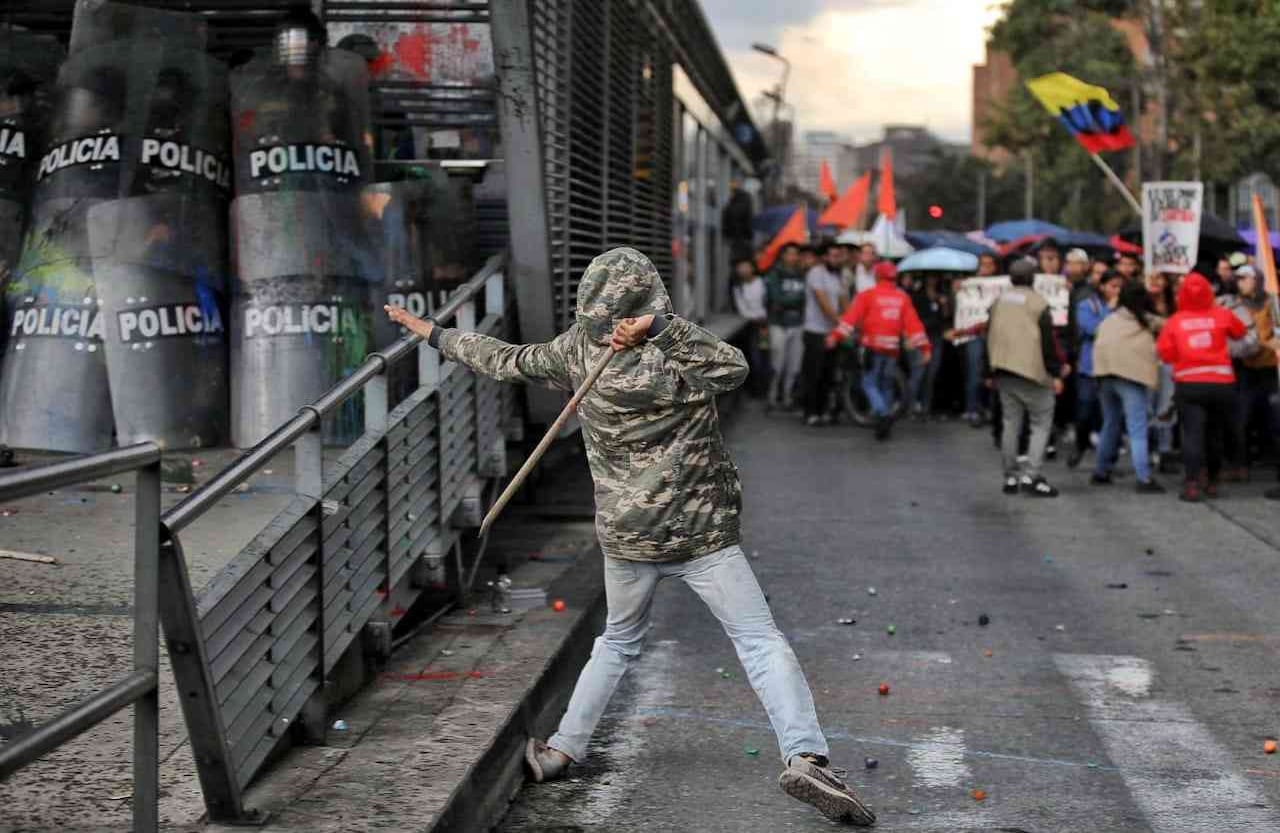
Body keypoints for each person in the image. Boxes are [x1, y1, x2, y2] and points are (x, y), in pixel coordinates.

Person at [383, 247, 876, 826]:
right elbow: (735, 367)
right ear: (648, 301)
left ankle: (562, 750)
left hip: (625, 537)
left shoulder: (575, 351)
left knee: (617, 641)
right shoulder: (680, 361)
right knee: (759, 640)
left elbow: (504, 359)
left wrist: (433, 334)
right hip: (700, 535)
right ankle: (805, 755)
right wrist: (664, 330)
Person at [1156, 271, 1248, 502]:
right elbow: (1241, 332)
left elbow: (1165, 354)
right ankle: (1213, 481)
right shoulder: (1222, 314)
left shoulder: (1175, 321)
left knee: (1193, 434)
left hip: (1189, 384)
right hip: (1221, 384)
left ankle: (1192, 484)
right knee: (1214, 434)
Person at [986, 258, 1064, 497]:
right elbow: (1048, 343)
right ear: (1034, 278)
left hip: (1003, 369)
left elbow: (988, 334)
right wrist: (1055, 372)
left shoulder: (998, 302)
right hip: (1031, 371)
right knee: (1040, 424)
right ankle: (1031, 475)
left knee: (1011, 423)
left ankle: (1010, 478)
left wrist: (987, 371)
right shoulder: (1038, 303)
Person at [827, 261, 930, 440]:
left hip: (872, 347)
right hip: (892, 348)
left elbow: (850, 319)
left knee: (869, 383)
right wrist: (925, 348)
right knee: (887, 384)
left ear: (877, 276)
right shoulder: (902, 298)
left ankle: (883, 414)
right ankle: (885, 423)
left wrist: (835, 337)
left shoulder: (867, 296)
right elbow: (914, 325)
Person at [1091, 280, 1165, 492]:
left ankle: (1101, 470)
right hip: (1130, 378)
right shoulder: (1145, 320)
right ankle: (1143, 478)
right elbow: (1170, 325)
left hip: (1104, 376)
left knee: (1110, 423)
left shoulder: (1108, 319)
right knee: (1137, 428)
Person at [1219, 265, 1279, 479]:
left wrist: (1267, 344)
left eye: (1245, 278)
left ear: (1257, 280)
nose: (1240, 282)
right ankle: (1239, 465)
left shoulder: (1273, 303)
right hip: (1243, 367)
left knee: (1274, 417)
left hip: (1270, 367)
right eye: (1238, 278)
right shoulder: (1232, 304)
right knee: (1240, 418)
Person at [1068, 270, 1124, 468]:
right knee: (1084, 411)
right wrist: (1110, 310)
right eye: (1113, 286)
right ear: (1102, 286)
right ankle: (1080, 445)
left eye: (1120, 287)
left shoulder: (1125, 308)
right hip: (1090, 367)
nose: (1117, 291)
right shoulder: (1087, 305)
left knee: (1111, 415)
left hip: (1114, 366)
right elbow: (1094, 329)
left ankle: (1109, 457)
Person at [948, 252, 999, 427]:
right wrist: (954, 292)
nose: (985, 268)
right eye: (983, 264)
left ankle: (991, 408)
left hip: (994, 335)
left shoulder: (1000, 285)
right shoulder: (968, 285)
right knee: (974, 372)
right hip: (973, 335)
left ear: (994, 267)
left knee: (994, 373)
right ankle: (972, 408)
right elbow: (957, 309)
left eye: (989, 264)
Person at [799, 242, 846, 426]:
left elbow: (843, 301)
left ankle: (822, 410)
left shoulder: (837, 276)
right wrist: (840, 322)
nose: (836, 259)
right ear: (825, 257)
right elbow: (823, 302)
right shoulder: (816, 274)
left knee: (828, 374)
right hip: (815, 331)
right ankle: (809, 412)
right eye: (833, 256)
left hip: (832, 333)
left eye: (838, 256)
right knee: (814, 374)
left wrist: (850, 321)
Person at [763, 243, 807, 410]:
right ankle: (772, 396)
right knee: (777, 363)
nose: (793, 257)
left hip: (797, 325)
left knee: (794, 364)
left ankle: (788, 396)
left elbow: (805, 298)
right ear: (783, 256)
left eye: (796, 254)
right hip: (778, 324)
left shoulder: (802, 274)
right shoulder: (775, 274)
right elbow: (776, 299)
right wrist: (797, 300)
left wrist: (790, 301)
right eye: (789, 254)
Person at [1144, 272, 1179, 474]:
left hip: (1168, 362)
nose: (1155, 282)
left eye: (1159, 278)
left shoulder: (1175, 304)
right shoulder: (1139, 306)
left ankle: (1165, 451)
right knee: (1147, 407)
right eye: (1151, 278)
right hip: (1146, 361)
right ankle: (1147, 451)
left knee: (1166, 407)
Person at [907, 273, 949, 417]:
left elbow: (945, 316)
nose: (933, 279)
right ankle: (910, 407)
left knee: (931, 374)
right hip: (920, 337)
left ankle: (926, 408)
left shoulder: (941, 295)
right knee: (918, 373)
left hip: (936, 337)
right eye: (930, 276)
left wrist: (943, 304)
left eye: (935, 276)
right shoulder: (916, 295)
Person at [731, 256, 770, 398]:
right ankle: (757, 390)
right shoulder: (738, 288)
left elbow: (769, 301)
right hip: (753, 325)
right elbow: (742, 310)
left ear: (753, 268)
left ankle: (766, 388)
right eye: (740, 268)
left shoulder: (763, 282)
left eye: (746, 267)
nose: (743, 270)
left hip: (767, 323)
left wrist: (764, 317)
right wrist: (757, 317)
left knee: (767, 355)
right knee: (755, 357)